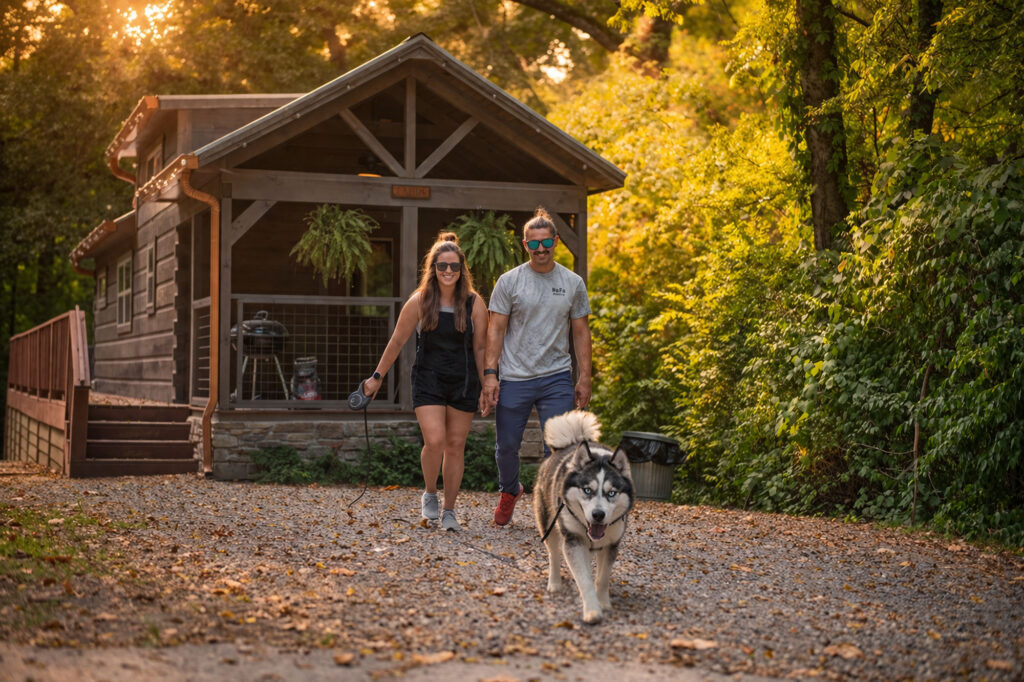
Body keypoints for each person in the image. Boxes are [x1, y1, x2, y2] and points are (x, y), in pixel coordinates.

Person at [362, 233, 489, 531]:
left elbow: (481, 349)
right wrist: (376, 378)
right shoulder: (419, 301)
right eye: (442, 266)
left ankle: (449, 511)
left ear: (462, 270)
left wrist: (487, 385)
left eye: (454, 267)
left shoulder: (474, 304)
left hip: (463, 380)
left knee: (456, 445)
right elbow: (396, 342)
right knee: (435, 440)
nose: (448, 272)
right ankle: (430, 492)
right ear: (432, 268)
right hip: (428, 379)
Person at [482, 207, 592, 526]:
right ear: (524, 245)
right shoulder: (509, 282)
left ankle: (551, 503)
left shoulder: (572, 283)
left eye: (546, 243)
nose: (540, 250)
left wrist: (584, 377)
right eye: (534, 244)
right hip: (515, 376)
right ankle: (509, 491)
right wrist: (491, 375)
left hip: (556, 376)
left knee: (558, 448)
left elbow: (581, 332)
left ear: (556, 242)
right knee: (506, 447)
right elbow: (496, 330)